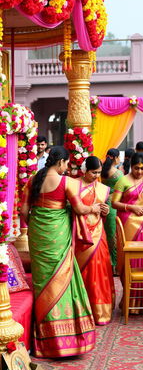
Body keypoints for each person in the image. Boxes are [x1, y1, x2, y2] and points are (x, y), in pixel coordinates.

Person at [20, 146, 96, 358]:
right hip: (58, 235)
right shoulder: (67, 182)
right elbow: (80, 209)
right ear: (61, 162)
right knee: (62, 279)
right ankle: (65, 339)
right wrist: (94, 209)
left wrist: (37, 226)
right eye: (66, 164)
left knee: (43, 281)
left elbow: (24, 211)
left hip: (37, 235)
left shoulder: (33, 180)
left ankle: (45, 339)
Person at [112, 152, 143, 312]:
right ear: (130, 167)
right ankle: (131, 302)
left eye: (142, 168)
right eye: (136, 168)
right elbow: (114, 203)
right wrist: (131, 207)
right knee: (130, 260)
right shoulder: (123, 181)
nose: (139, 172)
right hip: (127, 224)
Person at [74, 156, 115, 325]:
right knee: (83, 270)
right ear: (85, 170)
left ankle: (100, 310)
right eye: (93, 172)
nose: (96, 176)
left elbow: (104, 211)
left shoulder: (102, 188)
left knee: (100, 269)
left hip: (98, 232)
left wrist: (105, 211)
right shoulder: (74, 185)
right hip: (80, 232)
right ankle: (83, 309)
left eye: (99, 173)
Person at [101, 148, 124, 269]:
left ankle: (109, 263)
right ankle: (115, 264)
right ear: (116, 158)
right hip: (114, 205)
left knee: (107, 234)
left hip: (104, 203)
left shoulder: (103, 170)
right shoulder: (117, 173)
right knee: (114, 235)